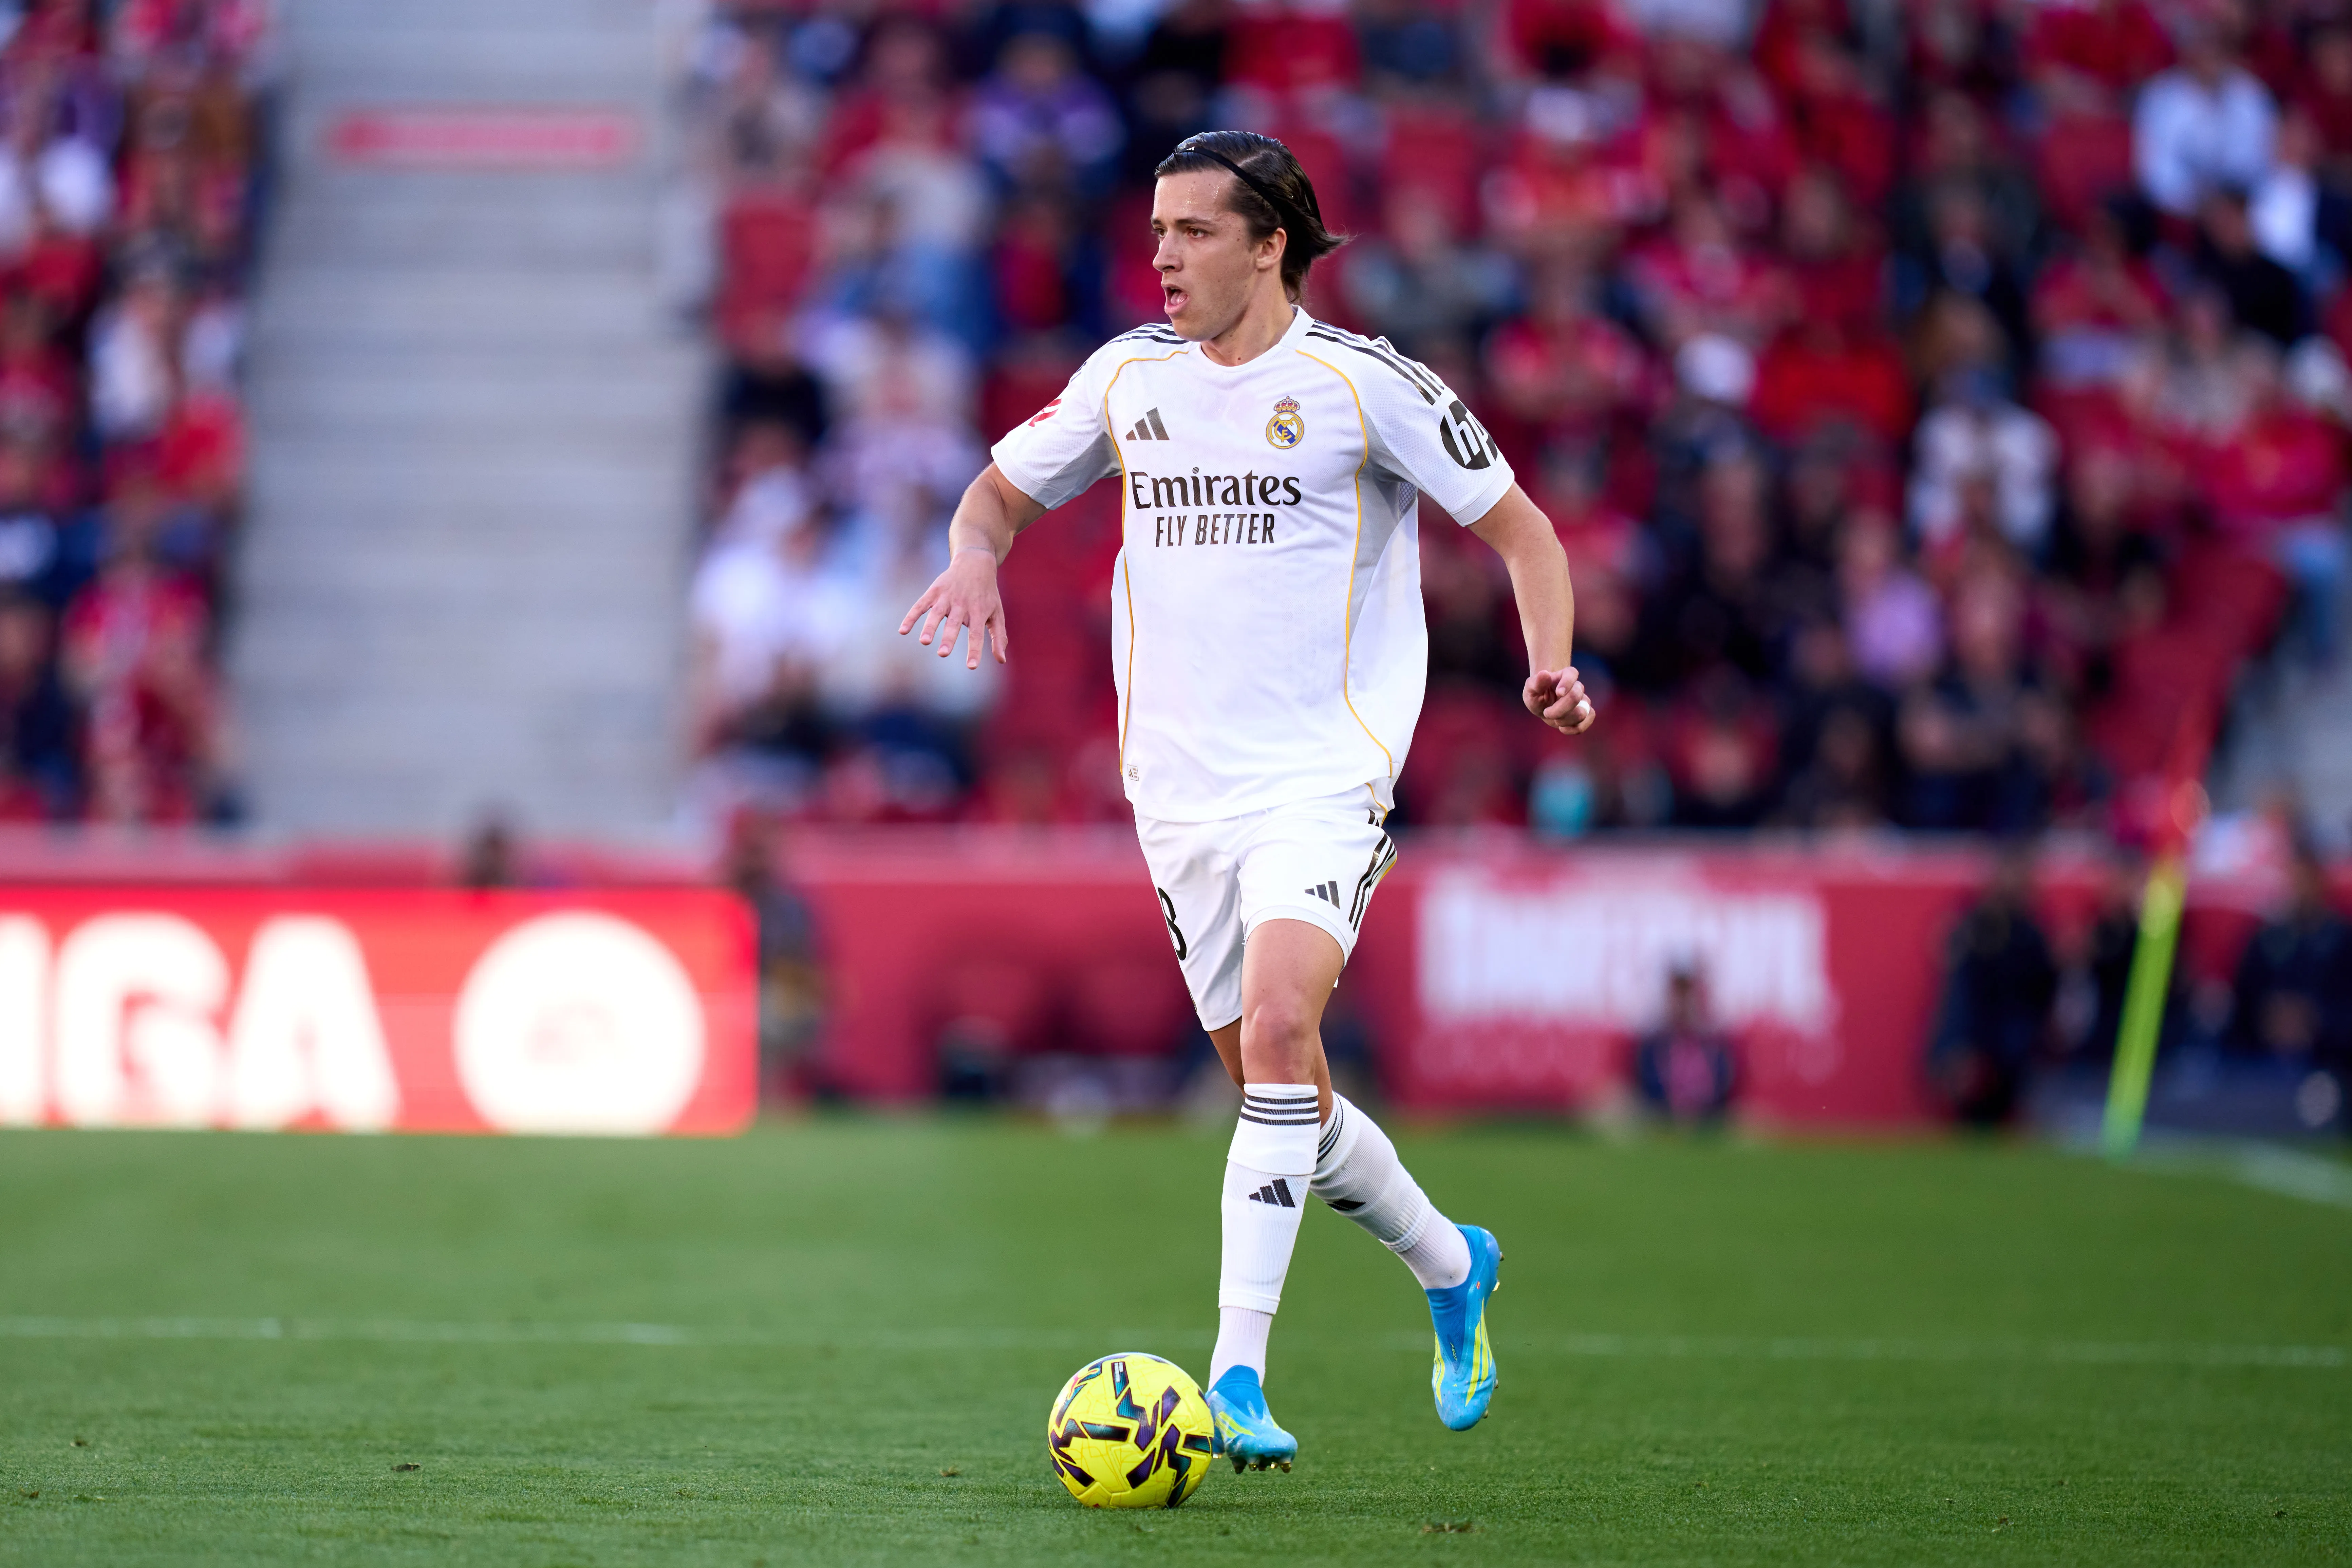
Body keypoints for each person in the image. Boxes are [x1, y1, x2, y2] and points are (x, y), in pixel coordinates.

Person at [899, 130, 1593, 1469]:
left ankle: (1232, 1377)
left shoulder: (1362, 386)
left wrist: (1548, 662)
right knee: (1284, 1094)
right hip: (1180, 796)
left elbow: (1525, 531)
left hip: (1320, 780)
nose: (1162, 255)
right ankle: (1454, 1263)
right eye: (1156, 229)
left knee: (1280, 1033)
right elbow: (990, 498)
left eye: (1195, 231)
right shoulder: (1124, 380)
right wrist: (974, 558)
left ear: (1270, 244)